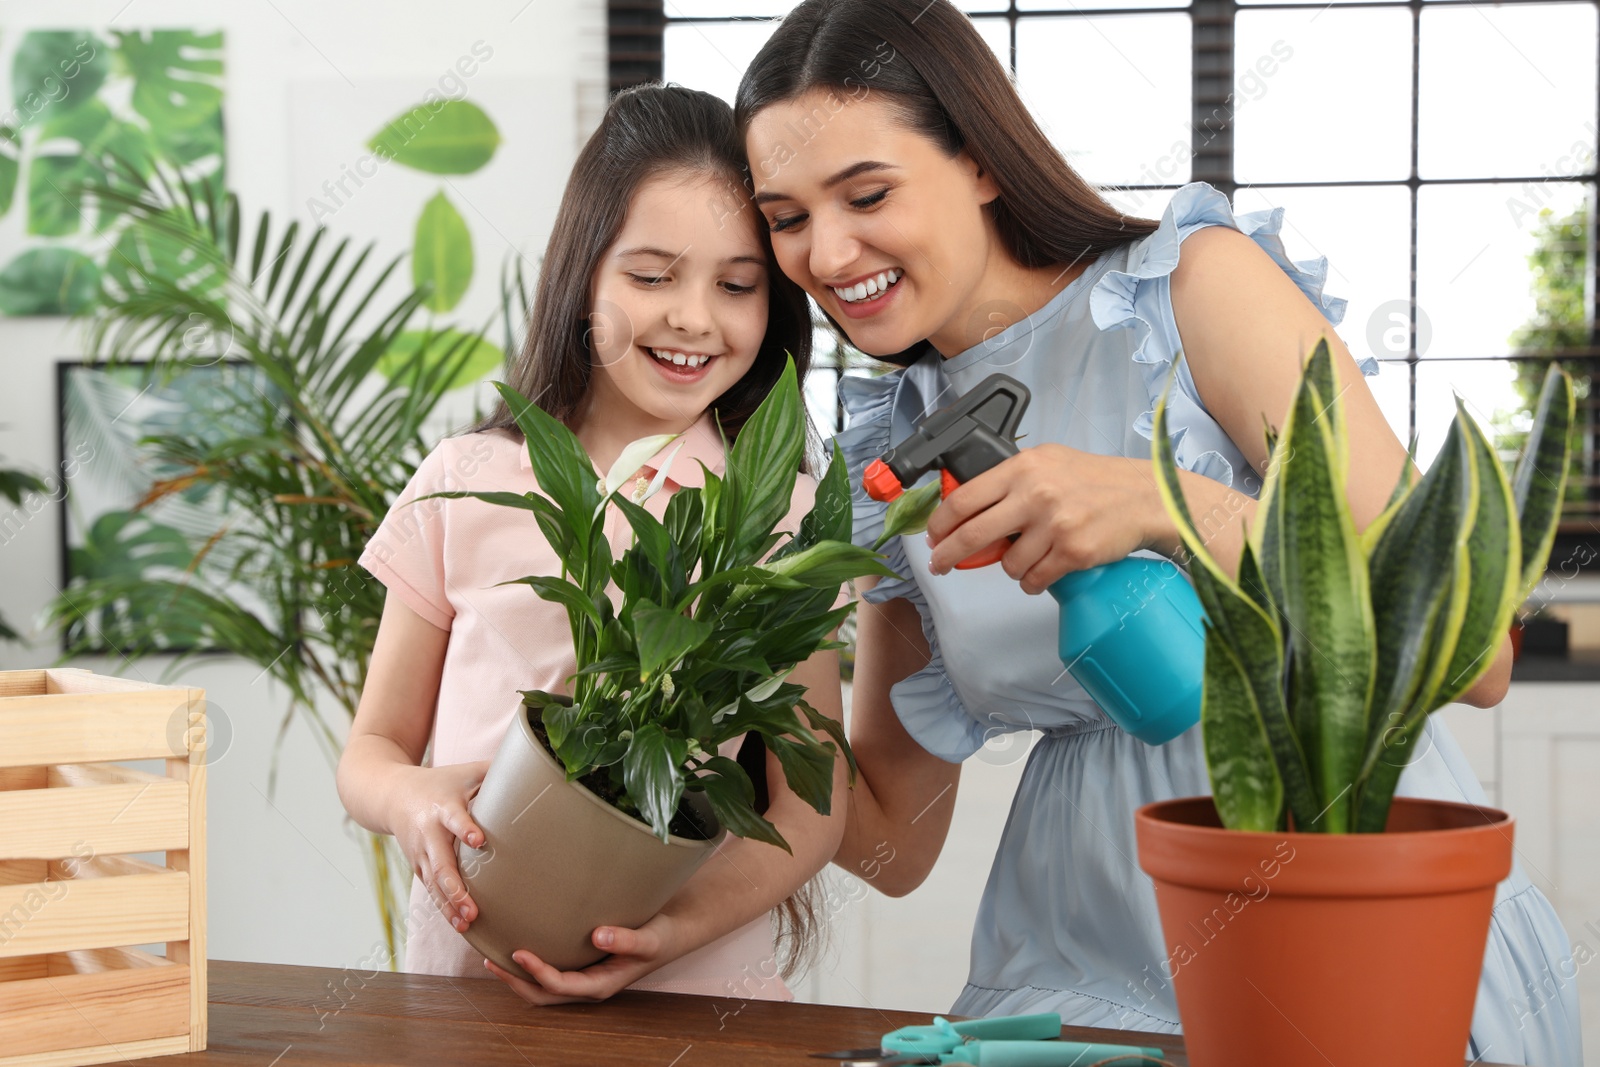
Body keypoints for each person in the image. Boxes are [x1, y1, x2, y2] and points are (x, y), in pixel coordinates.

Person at [734, 1, 1583, 1063]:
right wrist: (741, 653)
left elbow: (1479, 649)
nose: (826, 251)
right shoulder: (888, 451)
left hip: (1337, 900)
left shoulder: (1182, 292)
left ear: (983, 161)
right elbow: (892, 836)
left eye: (867, 194)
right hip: (1075, 955)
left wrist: (1164, 503)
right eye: (784, 217)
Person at [336, 83, 845, 1006]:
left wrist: (669, 934)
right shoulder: (464, 477)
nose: (694, 317)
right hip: (471, 982)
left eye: (737, 286)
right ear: (583, 279)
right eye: (652, 276)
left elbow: (812, 806)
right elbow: (371, 748)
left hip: (696, 990)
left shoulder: (780, 513)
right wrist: (411, 801)